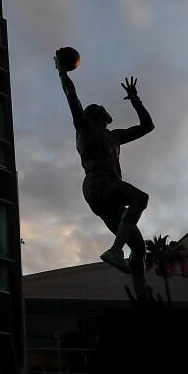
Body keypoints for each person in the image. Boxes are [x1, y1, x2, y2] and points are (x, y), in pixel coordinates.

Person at [55, 47, 154, 295]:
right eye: (102, 107)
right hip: (99, 184)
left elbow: (147, 126)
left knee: (140, 249)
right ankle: (115, 250)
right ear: (98, 114)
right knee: (140, 198)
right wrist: (62, 72)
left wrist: (135, 99)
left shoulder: (115, 137)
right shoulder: (85, 128)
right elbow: (72, 97)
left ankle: (141, 300)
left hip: (107, 196)